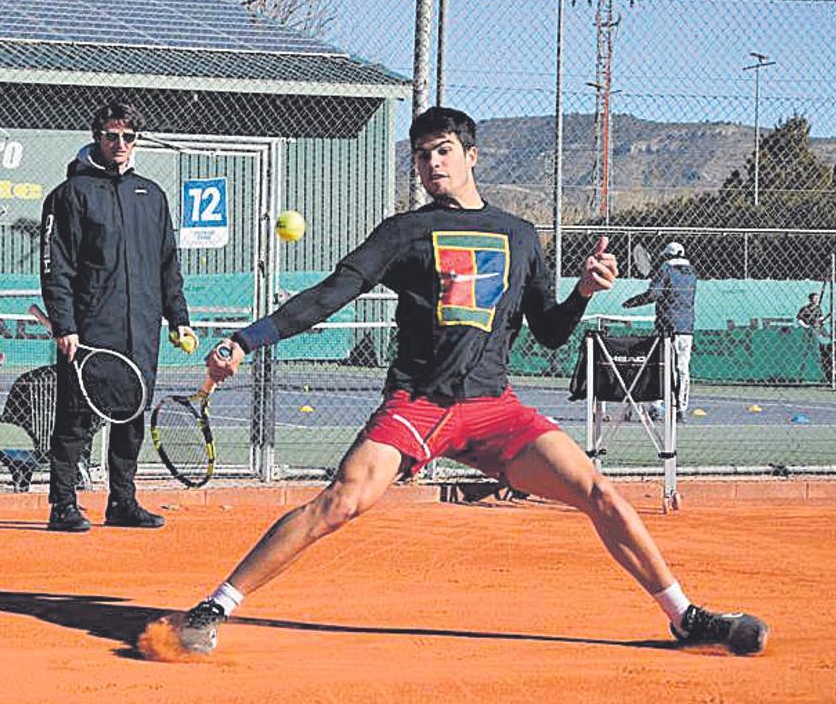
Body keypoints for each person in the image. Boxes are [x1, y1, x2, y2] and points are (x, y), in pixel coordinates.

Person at [165, 107, 767, 657]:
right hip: (417, 403)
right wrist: (245, 340)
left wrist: (582, 292)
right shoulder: (402, 233)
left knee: (600, 493)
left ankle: (684, 617)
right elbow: (330, 295)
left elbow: (551, 332)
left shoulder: (521, 236)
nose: (433, 164)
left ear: (472, 155)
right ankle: (214, 604)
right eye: (423, 154)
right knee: (339, 503)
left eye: (444, 150)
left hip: (494, 409)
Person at [39, 100, 196, 533]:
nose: (120, 144)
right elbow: (57, 266)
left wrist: (177, 317)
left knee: (131, 415)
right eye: (112, 136)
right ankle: (63, 504)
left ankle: (122, 502)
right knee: (75, 418)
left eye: (128, 137)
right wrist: (65, 324)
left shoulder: (152, 195)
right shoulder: (69, 195)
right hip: (90, 329)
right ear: (97, 138)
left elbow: (168, 264)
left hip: (140, 329)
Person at [621, 241, 697, 422]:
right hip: (686, 328)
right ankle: (681, 410)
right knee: (682, 369)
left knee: (661, 367)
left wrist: (633, 302)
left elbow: (654, 294)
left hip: (666, 327)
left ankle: (656, 406)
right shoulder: (692, 273)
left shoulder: (665, 269)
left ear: (667, 256)